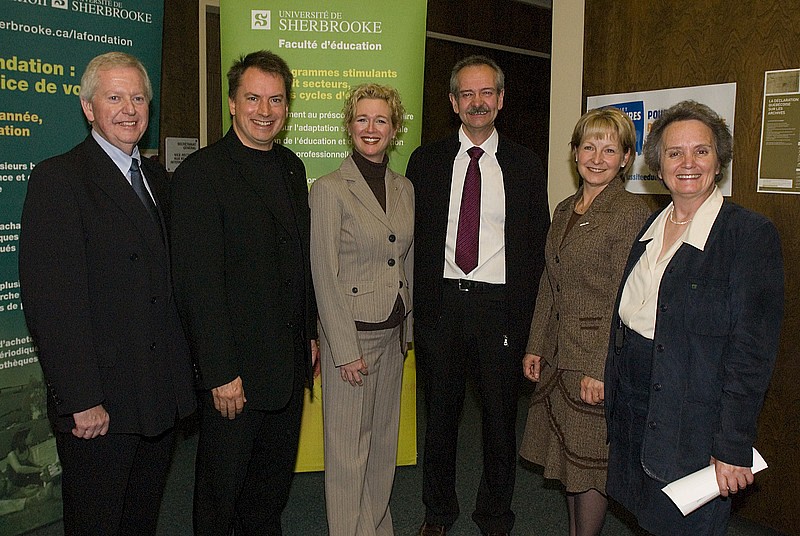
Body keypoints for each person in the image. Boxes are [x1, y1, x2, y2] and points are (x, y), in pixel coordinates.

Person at [18, 51, 196, 534]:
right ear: (88, 107)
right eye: (114, 96)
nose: (129, 108)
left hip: (155, 393)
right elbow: (51, 303)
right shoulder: (59, 179)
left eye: (138, 97)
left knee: (140, 519)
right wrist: (81, 397)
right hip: (101, 404)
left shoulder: (157, 179)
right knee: (96, 523)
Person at [604, 100, 784, 535]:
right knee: (646, 520)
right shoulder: (649, 229)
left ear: (718, 160)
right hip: (635, 410)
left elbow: (751, 355)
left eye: (700, 151)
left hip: (694, 424)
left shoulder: (748, 236)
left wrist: (732, 445)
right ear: (658, 165)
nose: (687, 163)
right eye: (674, 153)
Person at [170, 50, 318, 535]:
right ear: (232, 103)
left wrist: (311, 334)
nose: (265, 110)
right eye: (253, 98)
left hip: (287, 365)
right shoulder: (201, 174)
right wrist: (219, 372)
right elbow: (198, 285)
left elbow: (302, 263)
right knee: (221, 495)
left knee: (269, 493)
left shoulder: (292, 168)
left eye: (276, 100)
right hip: (233, 376)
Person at [406, 55, 550, 536]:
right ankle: (438, 512)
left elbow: (535, 247)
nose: (477, 102)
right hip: (441, 307)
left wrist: (530, 326)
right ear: (452, 102)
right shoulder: (424, 162)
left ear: (501, 100)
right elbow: (412, 240)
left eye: (486, 92)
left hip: (500, 310)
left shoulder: (527, 165)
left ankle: (494, 514)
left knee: (499, 424)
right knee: (440, 421)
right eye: (466, 94)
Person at [519, 108, 650, 536]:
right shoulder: (564, 208)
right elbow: (549, 281)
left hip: (592, 361)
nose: (597, 157)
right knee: (571, 462)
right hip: (559, 354)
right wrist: (535, 344)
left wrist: (599, 367)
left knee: (590, 466)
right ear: (574, 152)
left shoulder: (632, 212)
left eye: (609, 149)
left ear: (626, 158)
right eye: (588, 146)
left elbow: (623, 297)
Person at [310, 83, 414, 536]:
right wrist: (343, 348)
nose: (371, 129)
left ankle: (376, 527)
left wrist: (406, 332)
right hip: (352, 338)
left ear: (394, 129)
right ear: (349, 126)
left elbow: (404, 257)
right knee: (347, 453)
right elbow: (323, 274)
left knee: (381, 447)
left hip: (393, 334)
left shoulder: (404, 186)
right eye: (362, 120)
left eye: (381, 121)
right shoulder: (330, 190)